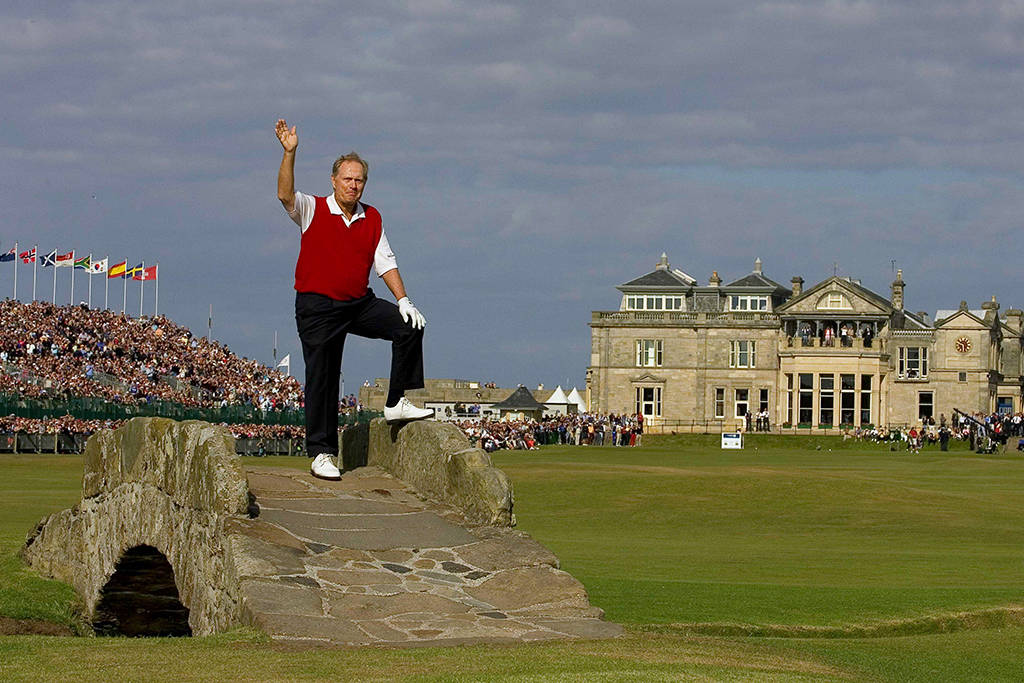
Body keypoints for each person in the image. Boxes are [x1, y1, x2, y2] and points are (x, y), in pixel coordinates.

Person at [275, 119, 432, 481]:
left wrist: (404, 299)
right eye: (347, 178)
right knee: (324, 375)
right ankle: (322, 452)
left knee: (408, 326)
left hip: (356, 302)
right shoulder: (313, 208)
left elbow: (385, 261)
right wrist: (289, 152)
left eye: (359, 179)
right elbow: (285, 195)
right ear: (334, 180)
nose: (353, 185)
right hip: (317, 306)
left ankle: (395, 402)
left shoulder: (371, 216)